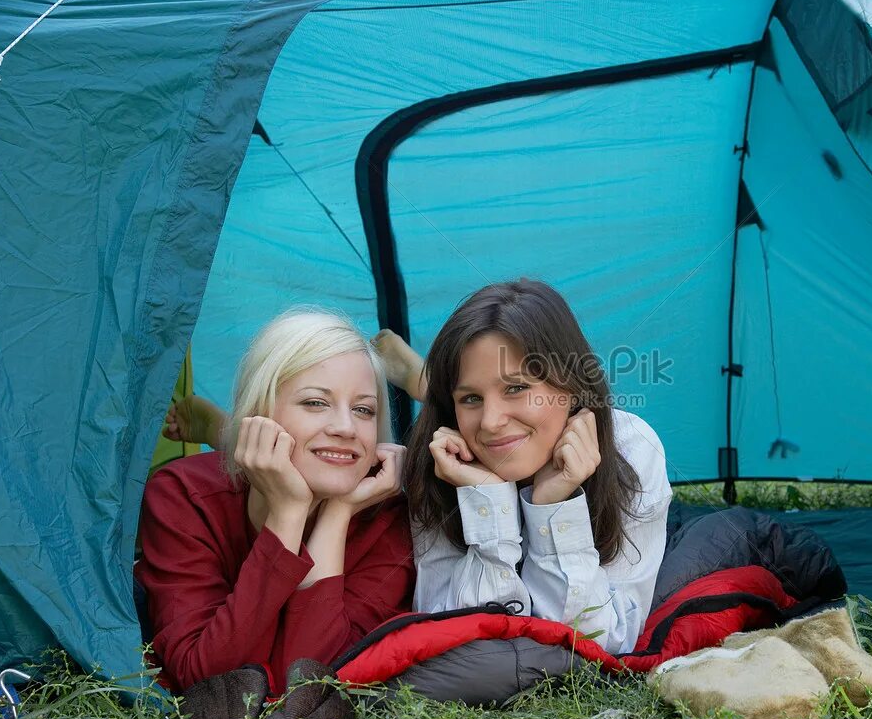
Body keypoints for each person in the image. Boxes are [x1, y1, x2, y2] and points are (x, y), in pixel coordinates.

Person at [136, 309, 414, 693]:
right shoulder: (183, 495)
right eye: (316, 403)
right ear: (260, 413)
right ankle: (222, 431)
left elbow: (309, 680)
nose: (346, 428)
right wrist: (288, 513)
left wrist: (338, 513)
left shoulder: (387, 518)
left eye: (363, 410)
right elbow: (207, 678)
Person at [405, 279, 672, 654]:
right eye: (470, 398)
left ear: (571, 385)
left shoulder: (632, 447)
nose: (491, 421)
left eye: (515, 388)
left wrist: (552, 508)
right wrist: (489, 502)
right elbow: (455, 636)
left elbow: (605, 642)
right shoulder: (440, 461)